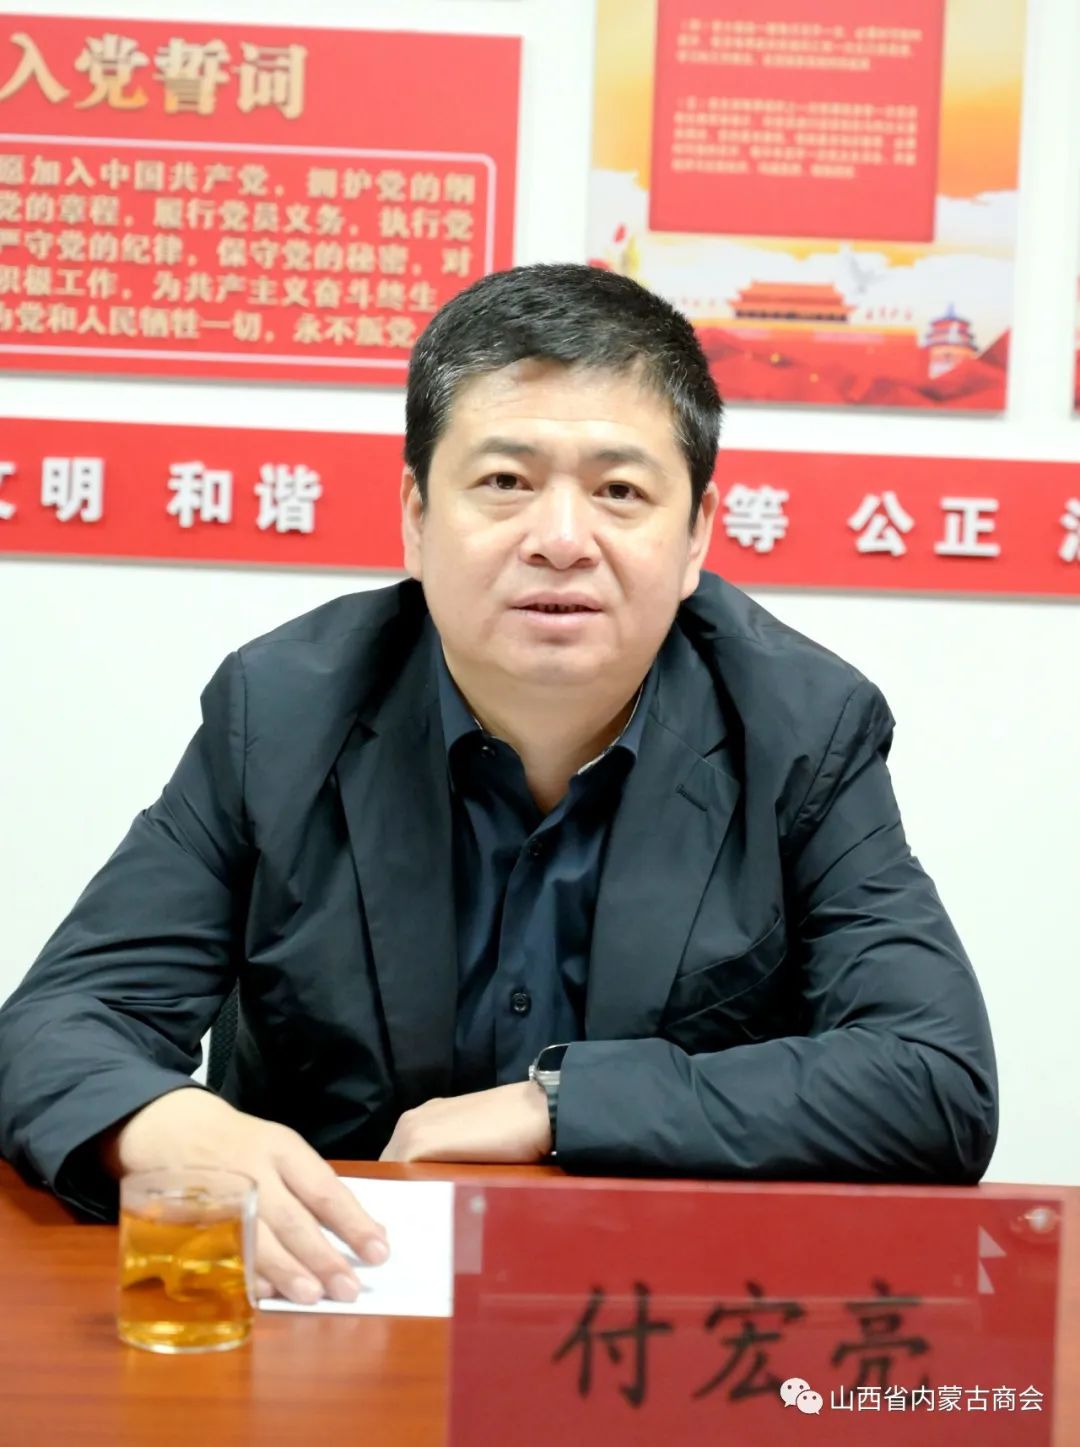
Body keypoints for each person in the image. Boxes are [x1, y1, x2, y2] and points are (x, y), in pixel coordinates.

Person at [0, 262, 997, 1308]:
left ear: (697, 533)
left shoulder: (799, 730)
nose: (560, 541)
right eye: (506, 482)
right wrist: (158, 1122)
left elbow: (935, 1080)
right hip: (334, 1297)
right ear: (416, 513)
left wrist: (559, 1105)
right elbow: (60, 1021)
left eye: (620, 491)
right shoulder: (282, 715)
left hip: (652, 1313)